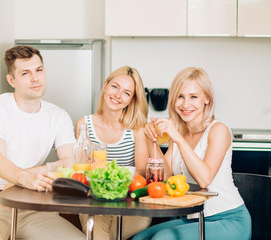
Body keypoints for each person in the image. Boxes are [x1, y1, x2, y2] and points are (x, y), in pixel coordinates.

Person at [0, 45, 85, 240]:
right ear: (12, 80)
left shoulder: (58, 116)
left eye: (39, 70)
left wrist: (25, 176)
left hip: (32, 205)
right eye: (25, 73)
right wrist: (25, 178)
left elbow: (70, 162)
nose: (35, 78)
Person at [133, 67, 251, 240]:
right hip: (195, 217)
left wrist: (178, 139)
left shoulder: (218, 130)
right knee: (140, 238)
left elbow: (204, 179)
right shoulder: (179, 133)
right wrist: (154, 142)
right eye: (180, 96)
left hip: (229, 219)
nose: (185, 104)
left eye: (193, 97)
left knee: (162, 238)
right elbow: (165, 177)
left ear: (206, 99)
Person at [75, 66, 152, 240]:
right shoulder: (84, 125)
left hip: (130, 204)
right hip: (94, 201)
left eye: (126, 93)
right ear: (105, 86)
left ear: (132, 100)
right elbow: (82, 169)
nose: (118, 95)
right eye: (115, 87)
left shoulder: (137, 129)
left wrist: (115, 185)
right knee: (98, 230)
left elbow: (140, 172)